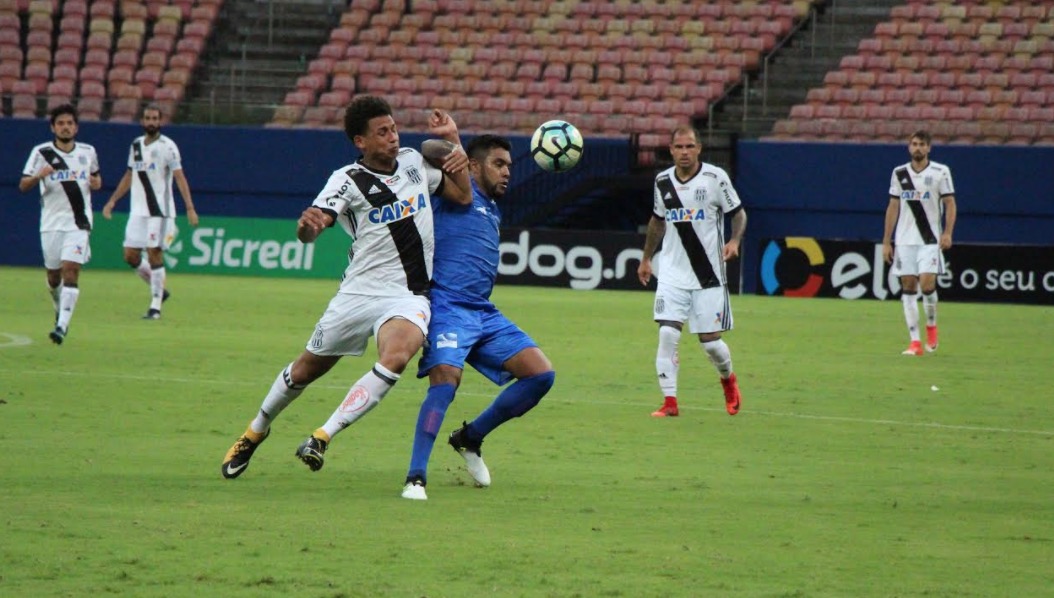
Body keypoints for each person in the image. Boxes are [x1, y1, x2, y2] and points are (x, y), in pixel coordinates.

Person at [221, 96, 472, 480]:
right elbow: (315, 223)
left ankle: (322, 436)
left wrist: (455, 144)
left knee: (397, 357)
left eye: (393, 128)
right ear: (361, 142)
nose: (392, 137)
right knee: (304, 371)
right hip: (358, 293)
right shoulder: (346, 180)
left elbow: (463, 195)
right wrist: (308, 228)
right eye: (382, 132)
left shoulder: (414, 164)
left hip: (407, 296)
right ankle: (255, 430)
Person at [401, 134, 556, 501]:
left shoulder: (490, 206)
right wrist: (452, 141)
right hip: (446, 305)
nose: (507, 173)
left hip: (482, 311)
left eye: (509, 166)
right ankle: (415, 477)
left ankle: (470, 437)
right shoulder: (452, 192)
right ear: (471, 166)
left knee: (541, 374)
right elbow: (427, 150)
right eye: (498, 164)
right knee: (445, 381)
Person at [637, 126, 746, 418]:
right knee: (667, 334)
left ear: (699, 149)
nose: (684, 152)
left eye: (689, 146)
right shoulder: (662, 181)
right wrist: (646, 258)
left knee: (710, 343)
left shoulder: (714, 178)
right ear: (670, 150)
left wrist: (734, 240)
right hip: (672, 273)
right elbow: (658, 221)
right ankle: (670, 403)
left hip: (708, 274)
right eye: (679, 147)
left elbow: (738, 213)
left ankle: (728, 379)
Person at [101, 104, 198, 320]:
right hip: (138, 211)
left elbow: (180, 177)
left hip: (160, 212)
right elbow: (129, 175)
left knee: (155, 252)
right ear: (142, 121)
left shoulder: (168, 147)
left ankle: (155, 306)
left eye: (155, 118)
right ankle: (160, 290)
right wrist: (112, 201)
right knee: (130, 255)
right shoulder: (135, 146)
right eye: (148, 118)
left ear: (160, 121)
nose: (151, 122)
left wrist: (190, 207)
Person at [19, 104, 102, 345]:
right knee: (54, 277)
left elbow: (96, 177)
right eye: (61, 123)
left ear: (76, 127)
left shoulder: (88, 151)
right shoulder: (41, 152)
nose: (65, 127)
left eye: (69, 123)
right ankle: (58, 305)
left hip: (78, 223)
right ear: (53, 127)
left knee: (71, 270)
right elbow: (23, 186)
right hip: (51, 224)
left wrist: (97, 183)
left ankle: (62, 326)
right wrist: (38, 176)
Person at [882, 129, 957, 356]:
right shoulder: (899, 173)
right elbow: (893, 207)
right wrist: (887, 241)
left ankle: (931, 327)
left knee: (926, 285)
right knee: (908, 287)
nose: (917, 148)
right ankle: (915, 343)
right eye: (914, 144)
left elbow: (951, 204)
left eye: (922, 144)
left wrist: (947, 233)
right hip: (905, 241)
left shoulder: (940, 172)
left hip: (929, 240)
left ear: (929, 148)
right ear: (908, 147)